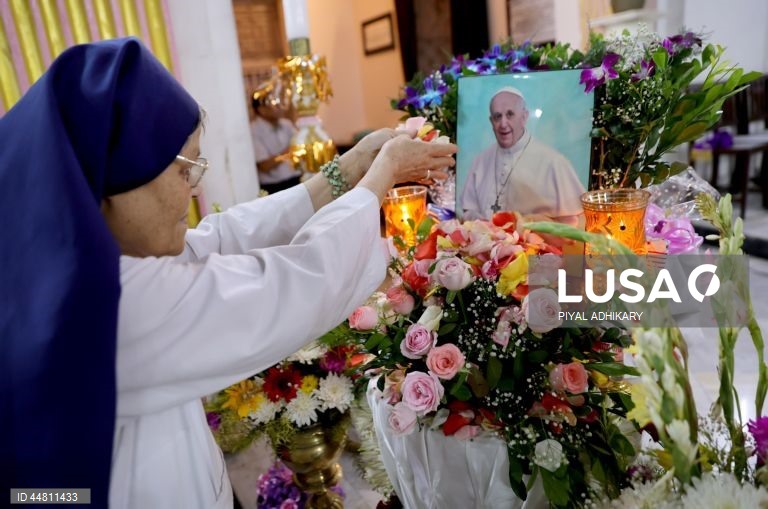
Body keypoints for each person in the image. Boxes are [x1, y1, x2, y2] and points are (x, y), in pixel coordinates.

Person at [0, 38, 456, 508]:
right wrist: (382, 175)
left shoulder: (80, 266)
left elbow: (225, 237)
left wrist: (350, 168)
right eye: (185, 169)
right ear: (113, 178)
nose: (195, 191)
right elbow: (295, 282)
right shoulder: (99, 305)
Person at [460, 86, 585, 225]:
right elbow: (468, 211)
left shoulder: (554, 162)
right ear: (491, 121)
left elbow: (571, 223)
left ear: (524, 117)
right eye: (497, 117)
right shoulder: (480, 161)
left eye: (510, 114)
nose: (503, 124)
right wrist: (483, 225)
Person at [250, 86, 302, 194]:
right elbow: (265, 165)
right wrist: (288, 152)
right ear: (261, 109)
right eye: (273, 102)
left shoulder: (286, 124)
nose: (279, 106)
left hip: (295, 180)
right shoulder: (254, 130)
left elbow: (300, 145)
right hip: (274, 187)